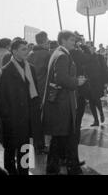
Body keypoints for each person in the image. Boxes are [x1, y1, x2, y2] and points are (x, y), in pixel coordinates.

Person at [41, 30, 87, 175]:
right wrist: (77, 82)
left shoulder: (58, 53)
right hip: (62, 103)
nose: (75, 43)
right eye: (72, 40)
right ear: (64, 40)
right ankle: (68, 167)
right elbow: (60, 78)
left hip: (60, 102)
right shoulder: (62, 56)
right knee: (63, 136)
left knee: (59, 137)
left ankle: (54, 168)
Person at [0, 38, 39, 175]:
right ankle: (11, 172)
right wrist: (6, 118)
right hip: (13, 117)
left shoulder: (31, 68)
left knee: (26, 147)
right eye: (23, 49)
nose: (27, 51)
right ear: (14, 51)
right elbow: (2, 99)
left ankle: (24, 172)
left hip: (28, 115)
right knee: (10, 149)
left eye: (27, 48)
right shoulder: (5, 71)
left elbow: (35, 92)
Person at [27, 31, 51, 153]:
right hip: (43, 89)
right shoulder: (47, 54)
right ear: (44, 41)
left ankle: (37, 143)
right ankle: (41, 145)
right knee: (42, 118)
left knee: (36, 117)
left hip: (32, 89)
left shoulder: (30, 54)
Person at [85, 44, 108, 126]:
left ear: (93, 48)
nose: (89, 49)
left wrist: (105, 82)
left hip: (98, 82)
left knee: (96, 99)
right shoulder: (85, 57)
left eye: (91, 48)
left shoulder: (99, 57)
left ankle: (101, 112)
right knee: (91, 101)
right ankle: (96, 120)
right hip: (88, 82)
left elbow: (105, 69)